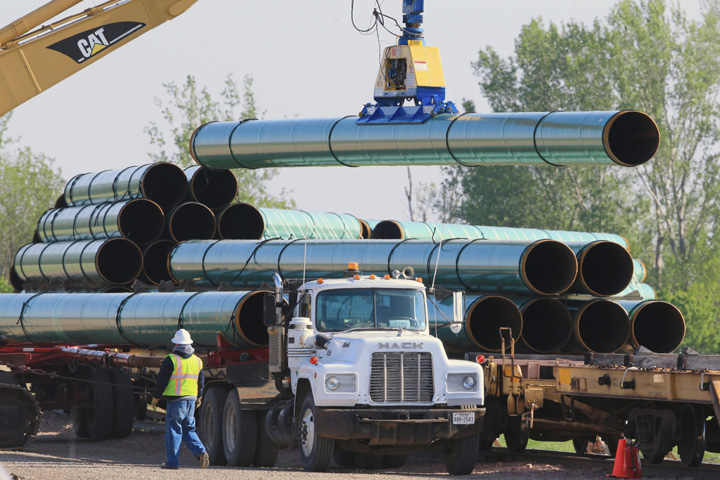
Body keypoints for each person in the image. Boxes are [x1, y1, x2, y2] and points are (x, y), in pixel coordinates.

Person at [151, 328, 210, 470]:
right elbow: (201, 382)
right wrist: (199, 397)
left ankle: (172, 462)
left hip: (176, 401)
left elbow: (162, 381)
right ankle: (201, 451)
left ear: (176, 344)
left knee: (173, 430)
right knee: (189, 429)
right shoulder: (197, 360)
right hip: (191, 400)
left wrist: (155, 397)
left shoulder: (171, 359)